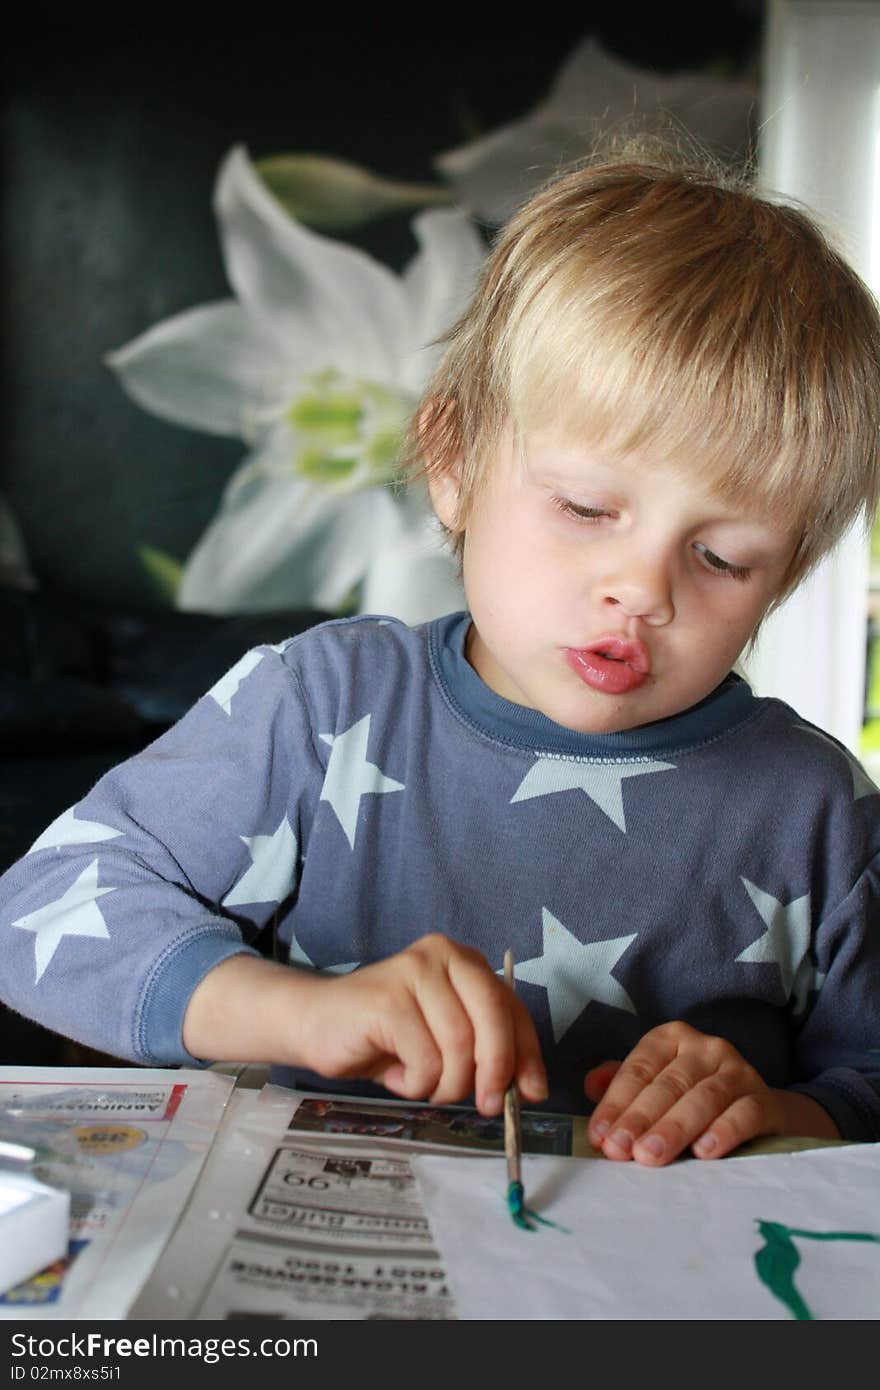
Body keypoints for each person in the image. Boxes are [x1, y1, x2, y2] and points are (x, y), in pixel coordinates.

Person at [2, 147, 879, 1168]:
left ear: (786, 575)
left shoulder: (816, 811)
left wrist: (780, 1111)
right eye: (585, 508)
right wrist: (303, 1013)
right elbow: (37, 916)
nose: (642, 589)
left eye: (722, 557)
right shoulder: (319, 708)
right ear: (454, 465)